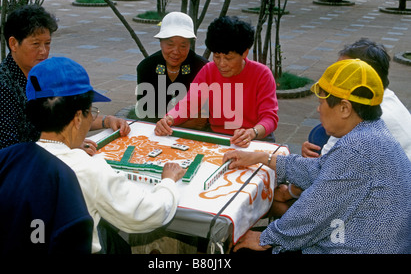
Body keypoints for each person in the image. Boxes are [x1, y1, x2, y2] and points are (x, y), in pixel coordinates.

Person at [226, 59, 411, 254]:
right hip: (371, 241)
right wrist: (262, 158)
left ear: (345, 108)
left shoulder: (356, 148)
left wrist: (265, 238)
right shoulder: (373, 131)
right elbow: (319, 170)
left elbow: (312, 212)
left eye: (321, 102)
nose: (318, 109)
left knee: (237, 247)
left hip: (355, 247)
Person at [0, 5, 129, 216]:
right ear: (13, 43)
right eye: (36, 44)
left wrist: (107, 121)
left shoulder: (41, 75)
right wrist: (65, 149)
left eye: (47, 44)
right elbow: (11, 151)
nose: (44, 51)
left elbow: (66, 114)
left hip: (33, 171)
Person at [23, 56, 186, 254]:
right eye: (91, 113)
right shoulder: (86, 168)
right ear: (77, 118)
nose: (91, 118)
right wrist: (168, 182)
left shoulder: (8, 159)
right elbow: (146, 213)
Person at [272, 38, 411, 218]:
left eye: (342, 71)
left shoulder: (364, 121)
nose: (334, 75)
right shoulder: (381, 99)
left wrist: (289, 192)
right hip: (387, 200)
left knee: (276, 204)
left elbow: (325, 174)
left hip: (381, 212)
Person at [154, 16, 279, 147]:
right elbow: (189, 104)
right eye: (217, 57)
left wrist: (252, 132)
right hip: (218, 137)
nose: (221, 64)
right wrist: (169, 118)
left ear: (244, 53)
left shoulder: (262, 74)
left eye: (228, 58)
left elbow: (269, 117)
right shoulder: (208, 70)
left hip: (255, 139)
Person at [136, 11, 208, 124]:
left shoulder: (202, 68)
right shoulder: (147, 67)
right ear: (160, 43)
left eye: (183, 46)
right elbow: (146, 112)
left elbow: (203, 117)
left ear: (190, 45)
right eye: (170, 44)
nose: (176, 52)